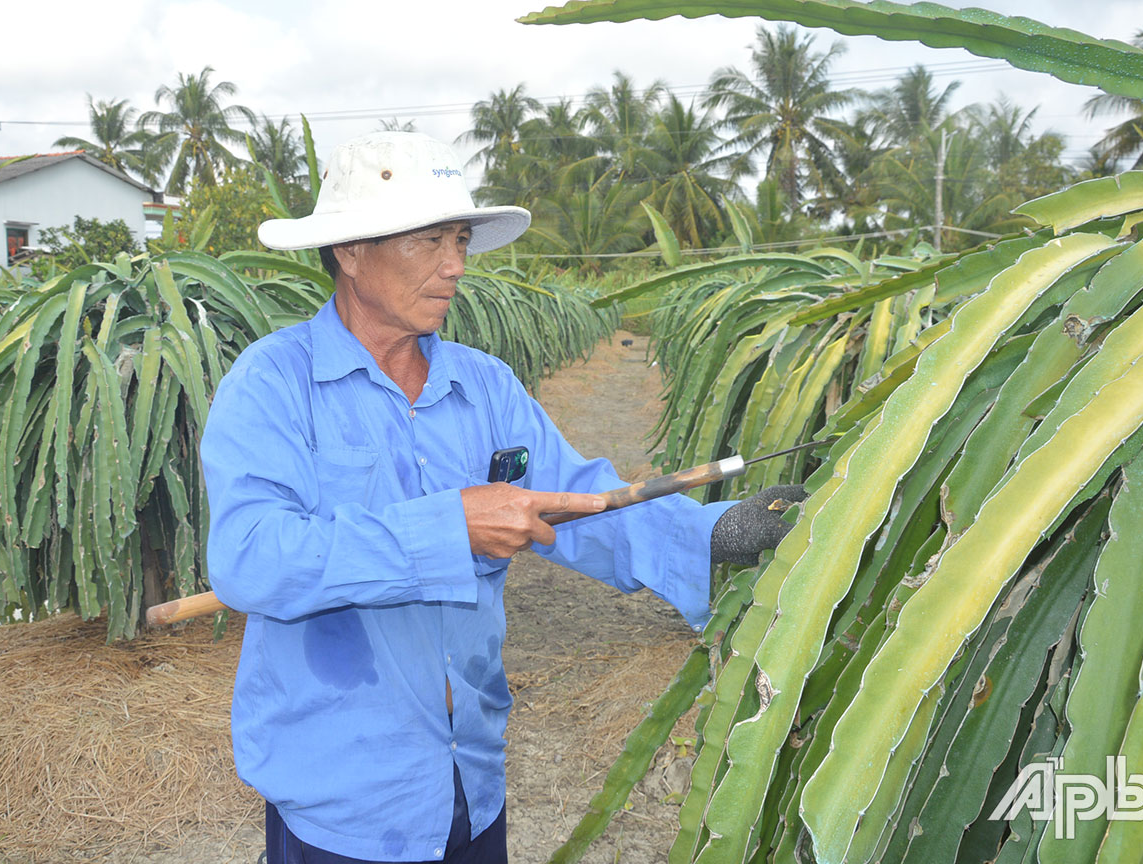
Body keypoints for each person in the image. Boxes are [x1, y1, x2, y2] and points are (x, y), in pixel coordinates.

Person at [200, 131, 804, 864]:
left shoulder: (483, 386)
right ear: (350, 251)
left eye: (459, 240)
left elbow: (576, 497)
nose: (455, 266)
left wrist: (710, 534)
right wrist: (447, 528)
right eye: (428, 241)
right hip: (344, 798)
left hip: (470, 776)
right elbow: (249, 557)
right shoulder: (272, 385)